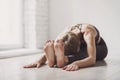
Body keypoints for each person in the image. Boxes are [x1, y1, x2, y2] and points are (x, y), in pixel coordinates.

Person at [24, 23, 108, 71]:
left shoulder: (88, 32)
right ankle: (63, 60)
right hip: (75, 49)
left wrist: (77, 63)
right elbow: (55, 47)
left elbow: (92, 59)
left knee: (84, 53)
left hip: (100, 47)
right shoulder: (65, 35)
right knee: (68, 50)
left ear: (79, 43)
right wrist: (40, 60)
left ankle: (62, 60)